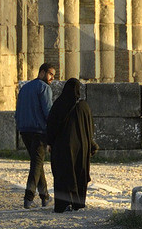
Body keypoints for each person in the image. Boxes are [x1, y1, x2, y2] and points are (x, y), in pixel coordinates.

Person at [45, 77, 96, 212]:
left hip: (63, 147)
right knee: (79, 173)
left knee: (64, 174)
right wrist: (90, 144)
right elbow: (90, 128)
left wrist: (49, 142)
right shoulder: (84, 106)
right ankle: (78, 203)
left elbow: (52, 125)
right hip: (82, 146)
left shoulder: (59, 104)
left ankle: (63, 204)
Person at [15, 62, 57, 209]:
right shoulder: (44, 88)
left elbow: (18, 110)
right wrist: (53, 131)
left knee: (37, 163)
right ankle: (28, 197)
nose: (52, 78)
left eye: (53, 75)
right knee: (36, 164)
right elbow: (48, 112)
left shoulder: (25, 88)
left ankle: (45, 196)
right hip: (39, 131)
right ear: (42, 72)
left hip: (24, 130)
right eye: (50, 74)